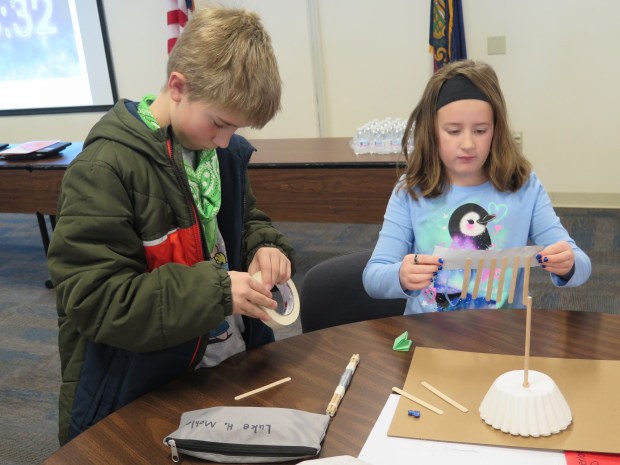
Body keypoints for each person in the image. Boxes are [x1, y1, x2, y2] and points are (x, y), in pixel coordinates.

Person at [47, 7, 294, 445]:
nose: (225, 140)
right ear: (178, 87)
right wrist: (216, 293)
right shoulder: (105, 169)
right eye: (219, 123)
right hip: (142, 388)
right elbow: (95, 301)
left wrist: (265, 247)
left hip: (227, 361)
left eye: (235, 127)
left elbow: (244, 221)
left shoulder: (222, 152)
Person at [363, 60, 590, 314]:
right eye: (453, 131)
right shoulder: (412, 190)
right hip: (428, 337)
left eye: (480, 130)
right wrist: (401, 276)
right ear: (432, 131)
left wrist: (567, 263)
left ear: (496, 131)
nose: (468, 143)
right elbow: (373, 277)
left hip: (500, 339)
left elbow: (581, 265)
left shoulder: (523, 186)